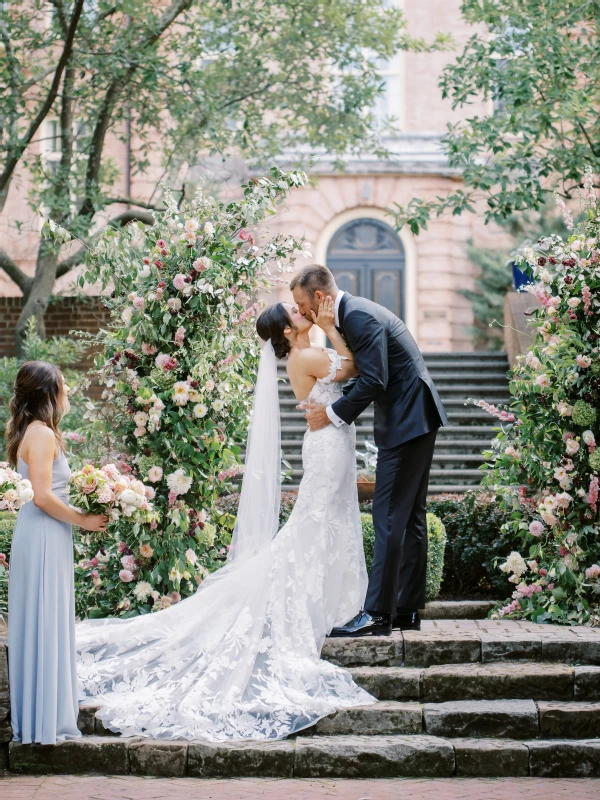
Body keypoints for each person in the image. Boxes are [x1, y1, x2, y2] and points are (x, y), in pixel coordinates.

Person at [75, 299, 375, 742]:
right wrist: (331, 324)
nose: (302, 310)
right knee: (312, 527)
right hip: (328, 449)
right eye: (295, 311)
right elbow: (353, 366)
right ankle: (314, 601)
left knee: (321, 526)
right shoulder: (306, 354)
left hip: (331, 444)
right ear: (287, 332)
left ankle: (330, 601)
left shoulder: (304, 352)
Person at [291, 264, 448, 636]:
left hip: (408, 419)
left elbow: (375, 378)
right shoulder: (352, 314)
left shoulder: (358, 316)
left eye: (301, 304)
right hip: (415, 415)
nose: (300, 312)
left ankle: (377, 614)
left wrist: (330, 414)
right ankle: (406, 609)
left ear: (318, 297)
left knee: (389, 514)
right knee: (409, 516)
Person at [6, 361, 108, 745]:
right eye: (62, 387)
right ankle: (44, 722)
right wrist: (84, 519)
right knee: (45, 618)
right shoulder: (43, 435)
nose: (67, 393)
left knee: (42, 620)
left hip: (40, 533)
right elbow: (44, 496)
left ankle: (38, 717)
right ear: (49, 394)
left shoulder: (28, 432)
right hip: (45, 533)